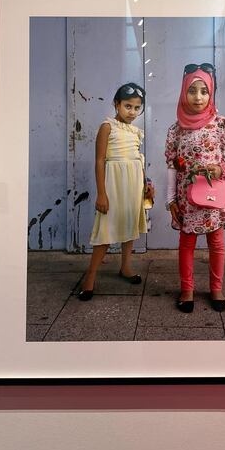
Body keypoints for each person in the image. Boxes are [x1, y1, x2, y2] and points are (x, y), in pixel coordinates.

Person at [164, 63, 225, 312]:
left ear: (211, 94)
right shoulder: (175, 129)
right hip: (186, 199)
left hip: (214, 197)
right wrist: (170, 201)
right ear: (183, 92)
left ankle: (216, 289)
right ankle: (187, 290)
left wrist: (224, 169)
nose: (197, 97)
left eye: (204, 91)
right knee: (186, 243)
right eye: (192, 90)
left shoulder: (221, 124)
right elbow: (171, 167)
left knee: (217, 243)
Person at [78, 83, 154, 300]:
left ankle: (126, 267)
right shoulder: (107, 127)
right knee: (106, 229)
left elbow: (136, 159)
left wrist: (145, 183)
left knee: (129, 224)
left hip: (133, 183)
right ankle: (90, 277)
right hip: (114, 184)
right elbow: (100, 161)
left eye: (136, 108)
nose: (132, 112)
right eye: (127, 106)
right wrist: (102, 193)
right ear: (116, 104)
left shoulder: (135, 131)